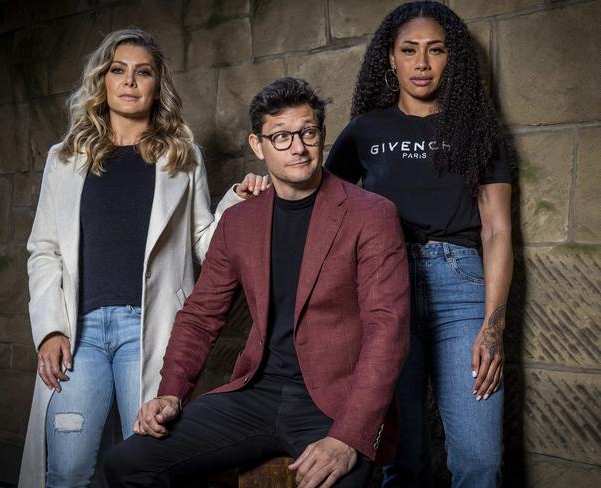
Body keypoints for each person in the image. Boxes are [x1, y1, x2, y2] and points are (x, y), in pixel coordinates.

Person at [103, 77, 410, 488]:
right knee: (126, 464)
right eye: (281, 137)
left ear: (321, 135)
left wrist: (348, 436)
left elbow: (387, 331)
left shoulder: (371, 214)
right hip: (255, 394)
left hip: (335, 401)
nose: (298, 147)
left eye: (308, 133)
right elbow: (200, 316)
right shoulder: (239, 221)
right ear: (257, 145)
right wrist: (171, 391)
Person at [18, 29, 269, 488]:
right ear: (103, 81)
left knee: (146, 464)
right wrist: (50, 328)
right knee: (67, 471)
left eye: (143, 72)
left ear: (157, 85)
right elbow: (44, 249)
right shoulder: (65, 158)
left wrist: (236, 203)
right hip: (80, 336)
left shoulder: (182, 157)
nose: (130, 81)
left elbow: (204, 246)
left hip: (151, 330)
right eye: (118, 70)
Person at [325, 2, 513, 487]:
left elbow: (496, 230)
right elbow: (317, 203)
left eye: (435, 50)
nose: (422, 63)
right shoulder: (366, 130)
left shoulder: (477, 130)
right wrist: (255, 187)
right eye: (409, 51)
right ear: (391, 58)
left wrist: (493, 326)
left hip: (463, 290)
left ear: (453, 58)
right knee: (401, 459)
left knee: (479, 460)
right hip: (386, 290)